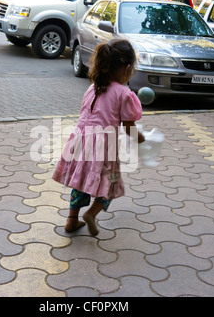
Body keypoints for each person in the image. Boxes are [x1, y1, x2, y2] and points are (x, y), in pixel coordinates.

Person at [52, 39, 145, 236]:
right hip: (103, 146)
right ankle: (92, 214)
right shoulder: (124, 93)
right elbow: (129, 126)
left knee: (80, 181)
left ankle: (71, 220)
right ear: (127, 68)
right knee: (110, 184)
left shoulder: (92, 88)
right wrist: (141, 138)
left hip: (79, 142)